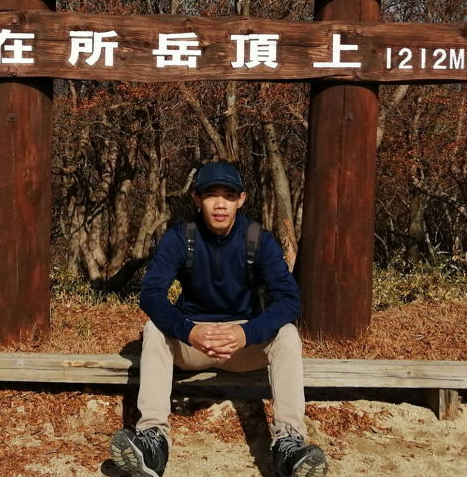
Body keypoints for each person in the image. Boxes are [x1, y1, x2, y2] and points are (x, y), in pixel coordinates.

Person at [110, 161, 328, 477]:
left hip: (243, 344)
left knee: (288, 335)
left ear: (241, 199)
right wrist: (189, 331)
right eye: (211, 195)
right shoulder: (180, 238)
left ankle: (289, 445)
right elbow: (152, 295)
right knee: (154, 330)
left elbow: (289, 299)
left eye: (229, 195)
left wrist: (248, 333)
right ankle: (152, 441)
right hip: (193, 340)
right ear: (198, 199)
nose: (220, 204)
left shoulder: (258, 239)